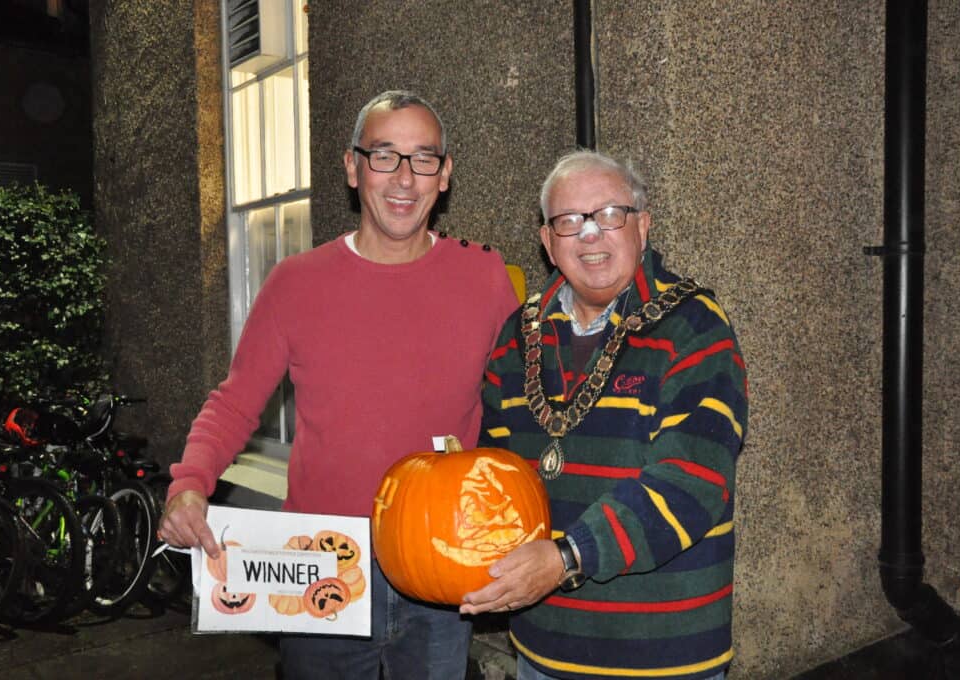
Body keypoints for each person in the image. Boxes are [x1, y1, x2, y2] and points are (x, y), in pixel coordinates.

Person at [158, 90, 519, 679]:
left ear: (445, 175)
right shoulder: (296, 283)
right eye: (384, 156)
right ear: (353, 167)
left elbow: (519, 408)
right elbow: (234, 402)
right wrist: (190, 482)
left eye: (423, 158)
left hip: (442, 563)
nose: (404, 178)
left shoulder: (484, 277)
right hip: (320, 563)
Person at [459, 150, 748, 680]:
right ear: (548, 242)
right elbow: (496, 479)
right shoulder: (515, 339)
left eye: (609, 215)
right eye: (569, 221)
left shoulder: (694, 328)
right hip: (543, 653)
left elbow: (692, 484)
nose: (589, 235)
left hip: (665, 655)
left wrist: (568, 557)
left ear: (643, 225)